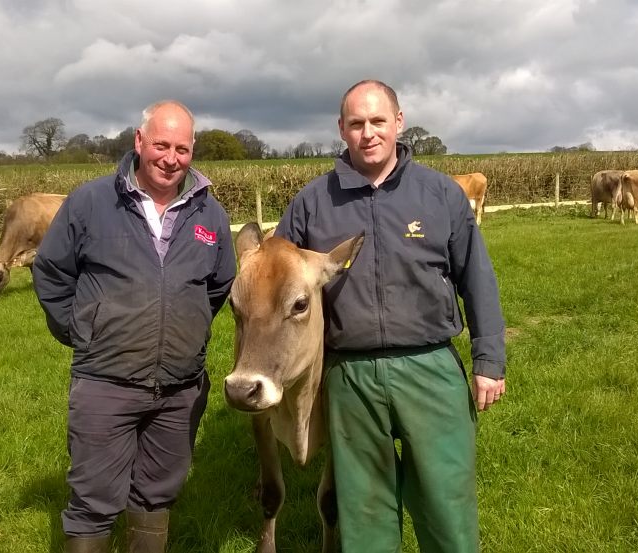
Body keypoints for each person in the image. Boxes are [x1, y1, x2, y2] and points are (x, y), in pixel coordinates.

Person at [274, 80, 507, 552]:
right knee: (364, 511)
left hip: (430, 368)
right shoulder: (313, 202)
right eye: (356, 123)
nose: (368, 133)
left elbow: (477, 279)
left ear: (398, 122)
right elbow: (274, 281)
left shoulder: (440, 195)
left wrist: (488, 362)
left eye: (378, 121)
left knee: (446, 499)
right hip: (350, 377)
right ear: (341, 129)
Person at [31, 101, 235, 553]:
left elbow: (219, 286)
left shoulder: (211, 215)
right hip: (106, 382)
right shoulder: (90, 202)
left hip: (180, 390)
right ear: (139, 142)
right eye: (161, 144)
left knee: (157, 494)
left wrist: (187, 329)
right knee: (93, 500)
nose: (171, 158)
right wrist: (85, 331)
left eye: (182, 148)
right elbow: (51, 271)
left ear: (192, 150)